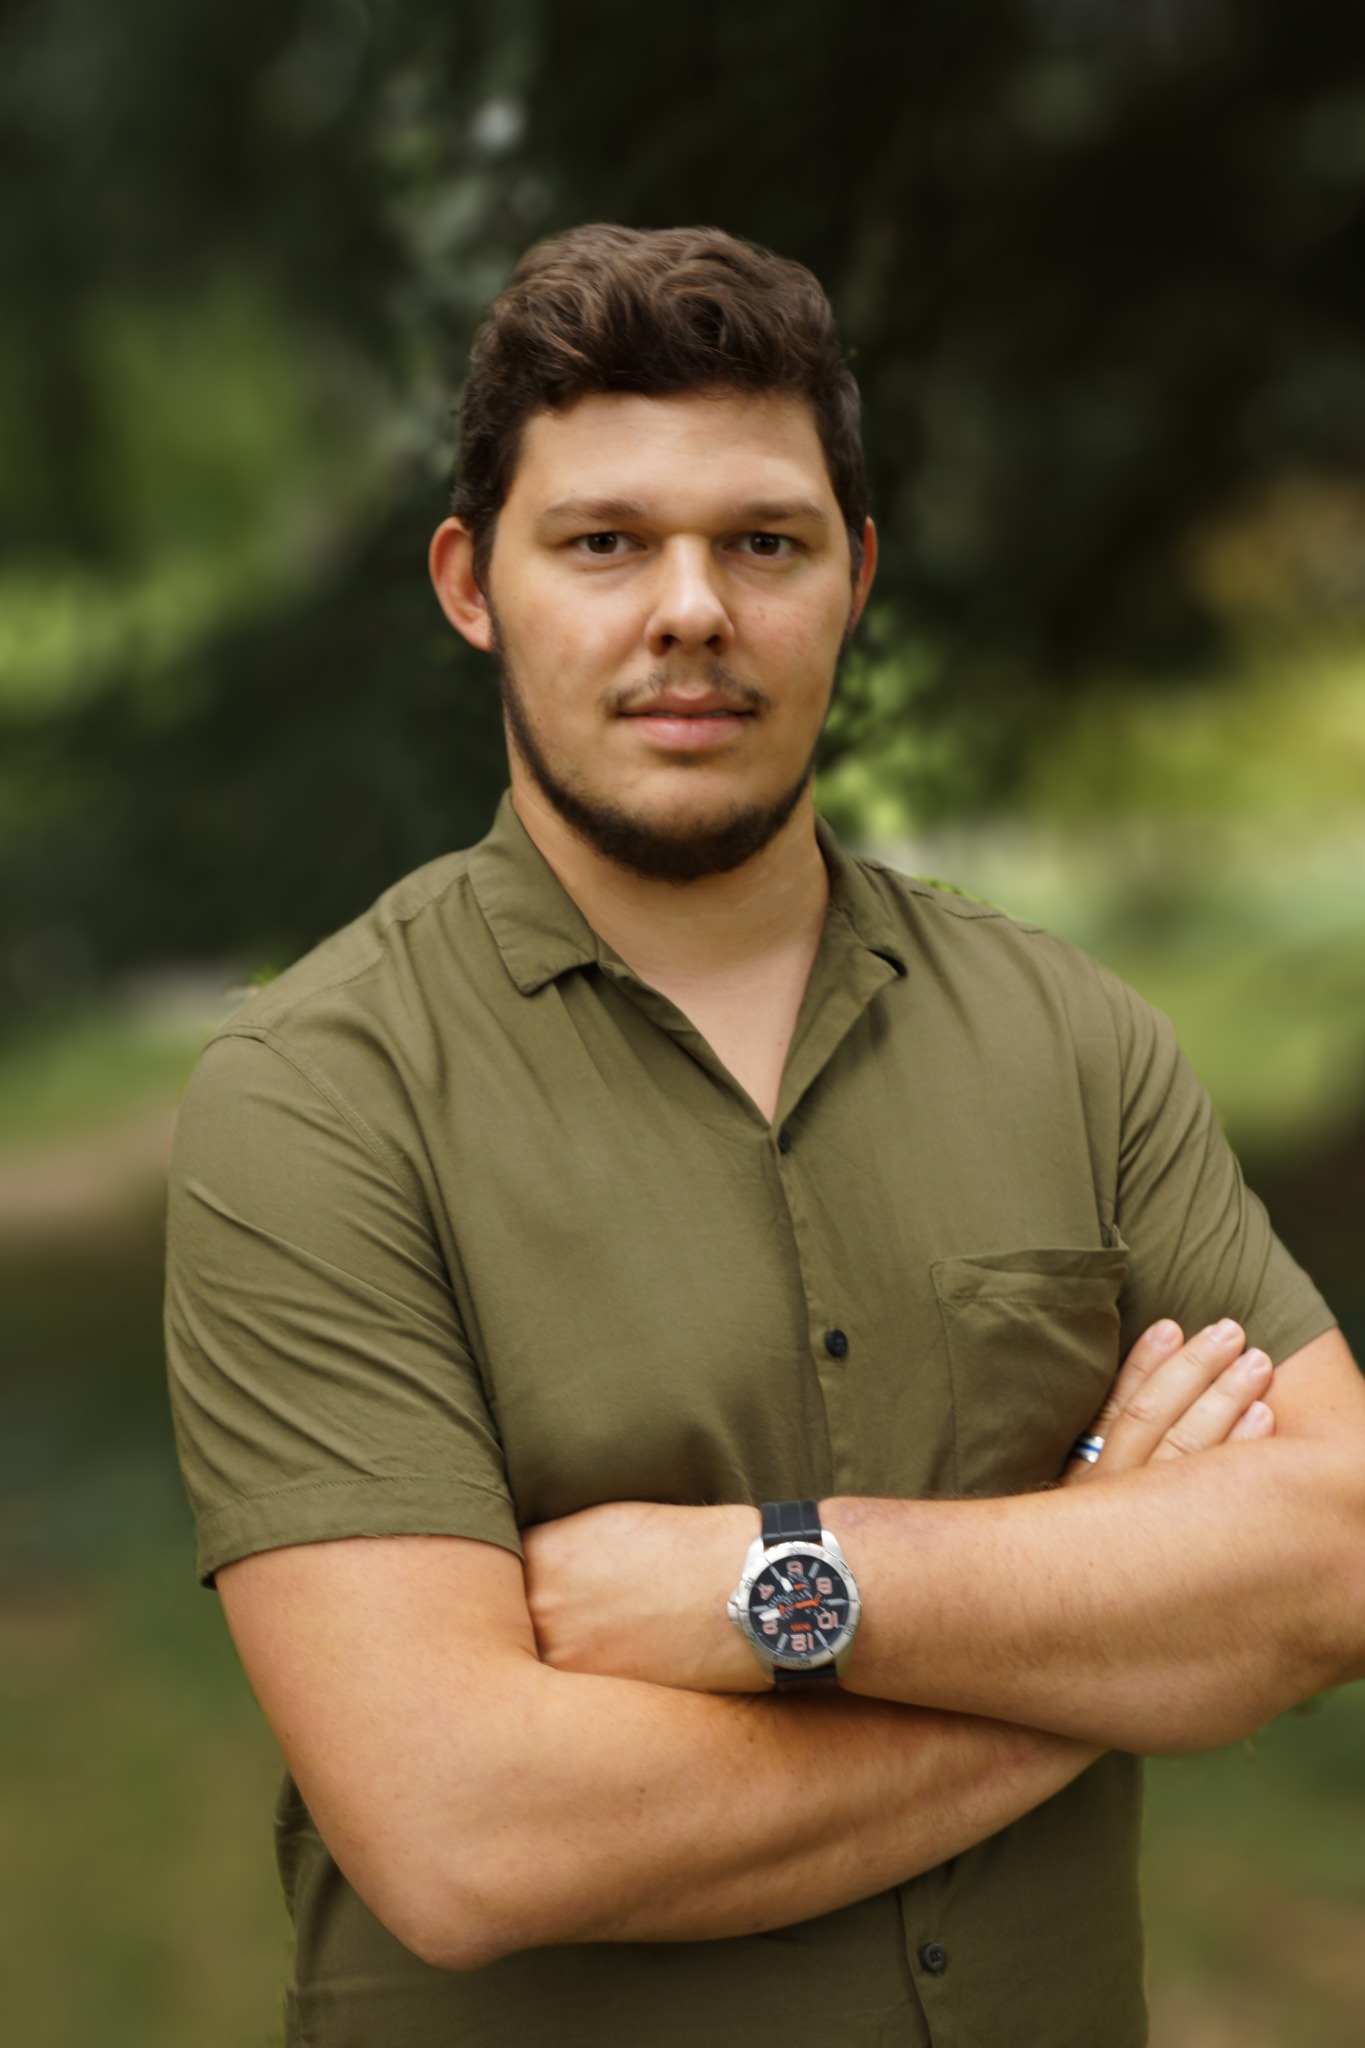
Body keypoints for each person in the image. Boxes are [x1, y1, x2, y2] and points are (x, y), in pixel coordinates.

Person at [164, 224, 1365, 2048]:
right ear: (470, 582)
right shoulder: (316, 1100)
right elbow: (467, 1832)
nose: (691, 610)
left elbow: (1339, 1550)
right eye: (602, 543)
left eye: (763, 542)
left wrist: (769, 1591)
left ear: (853, 576)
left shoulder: (1071, 1037)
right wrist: (1102, 1616)